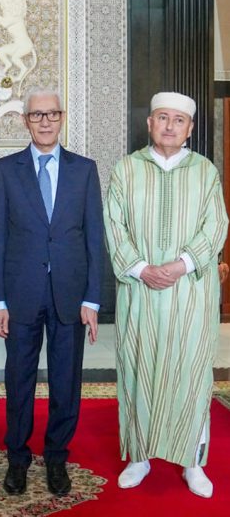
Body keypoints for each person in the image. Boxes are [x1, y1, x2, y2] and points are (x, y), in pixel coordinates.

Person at [105, 91, 228, 499]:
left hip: (190, 293)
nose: (170, 126)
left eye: (179, 120)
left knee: (191, 375)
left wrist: (181, 265)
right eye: (162, 118)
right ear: (149, 123)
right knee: (139, 368)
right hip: (140, 292)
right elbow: (114, 226)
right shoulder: (126, 169)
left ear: (190, 128)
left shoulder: (205, 172)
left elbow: (215, 228)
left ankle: (192, 460)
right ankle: (139, 457)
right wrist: (143, 269)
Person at [0, 89, 104, 496]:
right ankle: (17, 458)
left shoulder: (84, 170)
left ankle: (56, 458)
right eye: (37, 115)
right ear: (25, 121)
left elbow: (94, 238)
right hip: (20, 294)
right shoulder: (6, 169)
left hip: (70, 295)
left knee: (65, 381)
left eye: (52, 113)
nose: (46, 121)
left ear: (63, 117)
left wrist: (92, 298)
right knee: (19, 379)